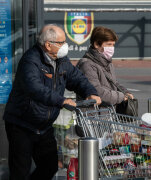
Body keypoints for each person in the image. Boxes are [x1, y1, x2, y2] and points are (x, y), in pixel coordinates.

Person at [3, 24, 101, 180]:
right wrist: (62, 101)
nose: (65, 46)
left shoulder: (62, 60)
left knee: (50, 166)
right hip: (22, 124)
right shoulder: (31, 61)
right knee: (20, 171)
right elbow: (35, 88)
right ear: (48, 45)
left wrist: (90, 93)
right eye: (61, 42)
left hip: (44, 125)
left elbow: (76, 78)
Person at [77, 26, 133, 107]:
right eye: (109, 44)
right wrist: (121, 97)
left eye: (113, 45)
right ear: (96, 44)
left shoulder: (108, 63)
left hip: (107, 112)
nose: (112, 48)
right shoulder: (87, 64)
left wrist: (126, 92)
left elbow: (114, 83)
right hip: (92, 115)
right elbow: (96, 91)